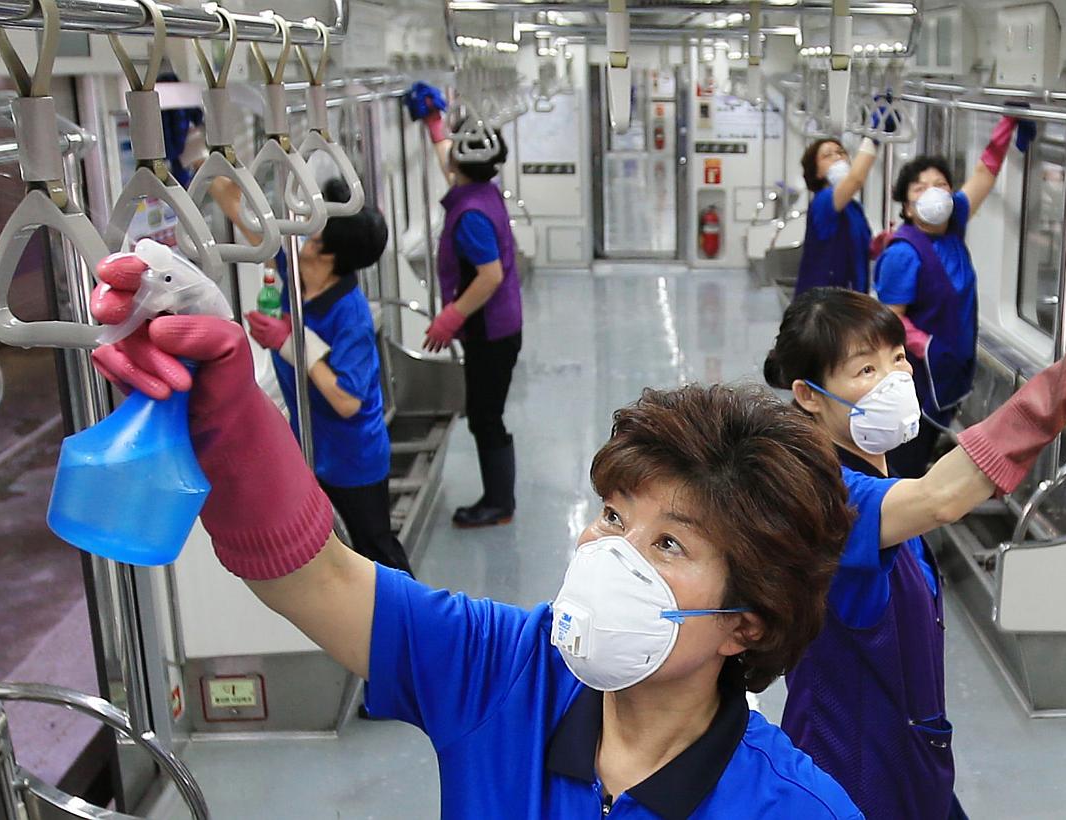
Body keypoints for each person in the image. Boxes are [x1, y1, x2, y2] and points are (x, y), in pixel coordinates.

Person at [89, 255, 864, 815]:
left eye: (669, 546)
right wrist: (226, 404)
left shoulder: (794, 809)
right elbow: (313, 577)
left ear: (746, 623)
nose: (609, 555)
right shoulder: (501, 672)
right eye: (616, 518)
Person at [762, 287, 1066, 819]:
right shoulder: (824, 498)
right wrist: (1064, 385)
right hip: (855, 767)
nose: (894, 380)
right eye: (864, 372)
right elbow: (940, 498)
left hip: (908, 753)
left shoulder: (877, 480)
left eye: (897, 360)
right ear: (809, 395)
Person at [240, 180, 413, 577]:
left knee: (376, 549)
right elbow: (247, 222)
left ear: (327, 252)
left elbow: (347, 401)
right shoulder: (301, 275)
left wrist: (292, 343)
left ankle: (416, 628)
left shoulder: (349, 314)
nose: (307, 234)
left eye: (316, 231)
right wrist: (208, 163)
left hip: (354, 456)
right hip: (311, 448)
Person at [874, 114, 1036, 477]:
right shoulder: (903, 253)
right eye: (919, 187)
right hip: (917, 374)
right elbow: (888, 319)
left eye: (941, 184)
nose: (932, 192)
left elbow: (984, 174)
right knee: (906, 462)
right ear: (906, 206)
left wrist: (1007, 124)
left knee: (924, 450)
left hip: (949, 368)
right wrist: (928, 345)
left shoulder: (954, 225)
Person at [407, 81, 524, 529]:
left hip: (489, 331)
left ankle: (499, 503)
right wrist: (435, 126)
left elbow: (489, 275)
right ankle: (500, 497)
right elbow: (450, 165)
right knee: (484, 411)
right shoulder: (481, 191)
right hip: (499, 326)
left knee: (485, 415)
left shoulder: (471, 214)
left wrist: (450, 317)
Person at [794, 104, 893, 295]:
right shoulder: (823, 202)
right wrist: (873, 137)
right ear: (817, 172)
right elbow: (856, 179)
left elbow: (859, 251)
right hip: (824, 302)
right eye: (827, 156)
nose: (837, 158)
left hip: (851, 296)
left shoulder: (853, 208)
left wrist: (877, 246)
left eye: (840, 152)